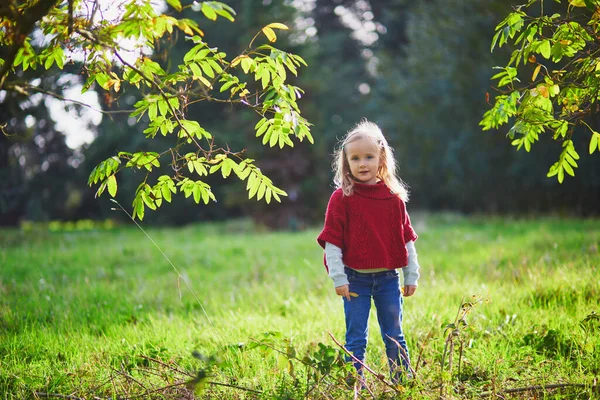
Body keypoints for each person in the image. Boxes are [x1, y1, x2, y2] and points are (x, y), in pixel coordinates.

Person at [317, 119, 421, 384]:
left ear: (381, 158)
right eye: (355, 158)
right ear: (346, 163)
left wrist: (411, 276)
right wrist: (339, 278)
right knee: (355, 336)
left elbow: (406, 239)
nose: (362, 164)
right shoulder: (342, 198)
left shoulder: (393, 197)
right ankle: (355, 384)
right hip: (355, 281)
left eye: (368, 157)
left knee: (394, 334)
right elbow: (333, 242)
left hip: (388, 279)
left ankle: (402, 382)